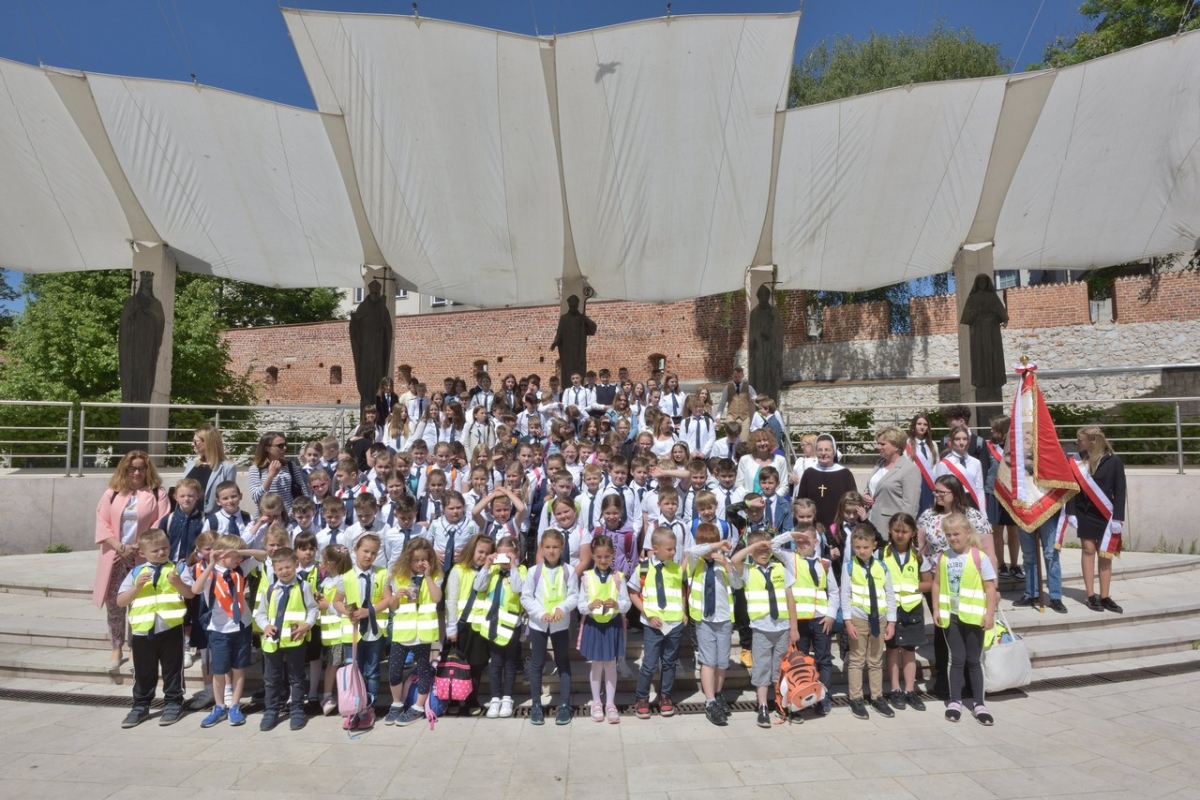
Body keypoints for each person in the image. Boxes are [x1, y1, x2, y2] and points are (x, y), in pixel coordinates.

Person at [917, 474, 998, 695]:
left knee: (970, 630)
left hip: (971, 582)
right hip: (940, 582)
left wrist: (994, 586)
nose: (937, 495)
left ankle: (971, 682)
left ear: (955, 493)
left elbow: (989, 551)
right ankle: (944, 680)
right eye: (935, 491)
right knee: (943, 631)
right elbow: (919, 548)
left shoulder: (973, 516)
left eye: (941, 492)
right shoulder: (928, 516)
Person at [94, 450, 171, 673]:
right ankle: (116, 648)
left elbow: (161, 522)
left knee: (139, 603)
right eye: (131, 468)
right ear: (124, 469)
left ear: (148, 470)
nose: (136, 472)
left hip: (142, 557)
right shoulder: (112, 493)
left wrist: (138, 547)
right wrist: (120, 546)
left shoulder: (157, 493)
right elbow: (102, 523)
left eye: (141, 468)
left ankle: (135, 648)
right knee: (115, 605)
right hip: (116, 556)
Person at [116, 528, 191, 728]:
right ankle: (140, 705)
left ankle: (174, 702)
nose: (161, 552)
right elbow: (121, 601)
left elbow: (190, 593)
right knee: (143, 671)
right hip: (142, 630)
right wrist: (137, 587)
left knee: (172, 669)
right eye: (155, 550)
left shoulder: (178, 569)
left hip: (170, 628)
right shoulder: (136, 572)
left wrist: (177, 582)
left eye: (164, 548)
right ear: (142, 553)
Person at [192, 534, 268, 728]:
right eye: (236, 557)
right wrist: (212, 562)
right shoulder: (210, 573)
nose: (240, 559)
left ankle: (235, 705)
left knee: (238, 668)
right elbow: (196, 589)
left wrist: (239, 551)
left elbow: (263, 555)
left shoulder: (240, 568)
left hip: (241, 626)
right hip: (218, 629)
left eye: (240, 556)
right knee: (219, 670)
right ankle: (219, 707)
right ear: (223, 555)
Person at [930, 512, 998, 725]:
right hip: (951, 616)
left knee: (974, 660)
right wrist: (936, 609)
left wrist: (989, 614)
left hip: (975, 617)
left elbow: (990, 588)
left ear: (968, 533)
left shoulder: (979, 557)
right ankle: (955, 701)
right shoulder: (943, 557)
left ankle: (979, 703)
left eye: (956, 534)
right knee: (956, 659)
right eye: (948, 535)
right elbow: (936, 584)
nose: (952, 538)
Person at [733, 531, 798, 728]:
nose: (764, 553)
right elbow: (734, 559)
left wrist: (794, 627)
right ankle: (762, 705)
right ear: (751, 551)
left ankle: (781, 703)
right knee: (762, 666)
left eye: (766, 549)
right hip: (761, 628)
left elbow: (790, 600)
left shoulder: (780, 568)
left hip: (782, 627)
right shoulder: (747, 570)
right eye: (759, 550)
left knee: (780, 667)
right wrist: (754, 546)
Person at [254, 546, 318, 732]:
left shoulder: (304, 587)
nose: (284, 571)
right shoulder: (270, 590)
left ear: (296, 565)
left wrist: (307, 625)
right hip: (272, 642)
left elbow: (313, 609)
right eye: (280, 568)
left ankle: (297, 710)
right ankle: (271, 711)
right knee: (271, 679)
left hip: (294, 640)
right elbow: (260, 614)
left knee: (296, 678)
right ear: (274, 570)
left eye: (288, 567)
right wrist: (265, 626)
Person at [521, 529, 578, 726]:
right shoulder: (533, 572)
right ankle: (536, 705)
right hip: (539, 624)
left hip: (560, 625)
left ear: (562, 548)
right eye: (547, 547)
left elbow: (574, 595)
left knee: (563, 663)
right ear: (541, 549)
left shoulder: (569, 571)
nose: (551, 551)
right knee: (537, 664)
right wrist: (539, 613)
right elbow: (526, 597)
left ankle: (565, 704)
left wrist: (563, 608)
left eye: (555, 547)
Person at [384, 538, 443, 726]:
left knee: (424, 671)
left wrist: (427, 576)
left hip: (424, 633)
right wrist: (396, 596)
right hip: (403, 632)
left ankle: (418, 707)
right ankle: (397, 703)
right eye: (415, 560)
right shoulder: (398, 576)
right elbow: (392, 607)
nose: (419, 563)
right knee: (394, 671)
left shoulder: (435, 575)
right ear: (407, 559)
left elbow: (436, 598)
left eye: (423, 559)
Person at [332, 533, 391, 722]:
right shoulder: (346, 576)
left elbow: (387, 599)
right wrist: (348, 612)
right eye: (365, 551)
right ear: (355, 550)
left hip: (374, 632)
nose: (369, 556)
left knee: (372, 672)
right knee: (353, 671)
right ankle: (354, 707)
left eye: (373, 553)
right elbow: (337, 601)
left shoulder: (382, 573)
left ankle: (368, 708)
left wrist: (369, 611)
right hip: (353, 633)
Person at [628, 527, 685, 720]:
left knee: (669, 662)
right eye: (669, 549)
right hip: (653, 625)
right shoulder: (643, 568)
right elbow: (633, 593)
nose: (673, 552)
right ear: (655, 548)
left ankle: (665, 696)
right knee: (650, 664)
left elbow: (680, 591)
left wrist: (683, 612)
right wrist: (647, 613)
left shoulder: (676, 568)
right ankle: (641, 698)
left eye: (674, 548)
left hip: (674, 623)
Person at [841, 524, 896, 721]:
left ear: (873, 545)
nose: (862, 551)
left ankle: (877, 696)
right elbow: (845, 596)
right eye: (857, 547)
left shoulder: (882, 567)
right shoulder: (849, 567)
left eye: (865, 547)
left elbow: (890, 594)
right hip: (858, 618)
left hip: (879, 618)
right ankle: (856, 698)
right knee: (857, 659)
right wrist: (848, 621)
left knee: (875, 659)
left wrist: (891, 622)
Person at [1069, 426, 1127, 613]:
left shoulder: (1113, 460)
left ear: (1092, 440)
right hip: (1085, 512)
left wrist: (1118, 517)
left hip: (1106, 514)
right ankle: (1090, 595)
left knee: (1104, 554)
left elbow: (1120, 491)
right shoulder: (1076, 461)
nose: (1077, 442)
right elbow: (1071, 488)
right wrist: (1071, 512)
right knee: (1088, 549)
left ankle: (1105, 596)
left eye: (1080, 439)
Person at [685, 523, 738, 726]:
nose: (709, 549)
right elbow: (693, 551)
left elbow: (738, 584)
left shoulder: (724, 562)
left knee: (722, 662)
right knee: (708, 661)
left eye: (712, 544)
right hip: (704, 620)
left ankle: (717, 694)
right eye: (705, 544)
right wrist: (715, 544)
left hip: (724, 618)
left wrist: (727, 565)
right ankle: (709, 702)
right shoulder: (695, 561)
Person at [578, 534, 631, 724]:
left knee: (610, 664)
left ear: (613, 556)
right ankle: (596, 702)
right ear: (592, 556)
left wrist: (617, 604)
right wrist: (589, 606)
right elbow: (580, 605)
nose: (603, 560)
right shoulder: (587, 577)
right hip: (594, 624)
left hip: (611, 624)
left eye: (607, 556)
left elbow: (626, 603)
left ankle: (610, 703)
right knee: (596, 664)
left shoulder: (618, 577)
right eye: (599, 556)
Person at [789, 524, 839, 718]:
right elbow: (775, 546)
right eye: (798, 540)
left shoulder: (824, 564)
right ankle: (802, 695)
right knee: (800, 660)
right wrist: (791, 534)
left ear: (816, 542)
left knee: (823, 659)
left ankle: (824, 697)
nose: (802, 544)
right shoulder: (791, 560)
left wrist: (831, 615)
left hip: (820, 619)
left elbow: (833, 591)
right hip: (800, 620)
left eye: (806, 540)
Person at [880, 513, 928, 712]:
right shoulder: (881, 554)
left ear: (912, 533)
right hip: (889, 610)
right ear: (890, 531)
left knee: (909, 650)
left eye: (905, 531)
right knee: (892, 649)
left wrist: (912, 585)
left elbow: (929, 583)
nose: (900, 535)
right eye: (896, 530)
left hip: (912, 609)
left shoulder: (918, 556)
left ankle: (910, 690)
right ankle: (895, 689)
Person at [445, 534, 495, 716]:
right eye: (480, 552)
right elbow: (451, 599)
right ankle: (453, 699)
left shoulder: (489, 571)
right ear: (471, 550)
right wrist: (451, 627)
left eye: (487, 553)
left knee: (476, 666)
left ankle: (471, 699)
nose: (483, 556)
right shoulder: (458, 570)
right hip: (461, 625)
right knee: (455, 666)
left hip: (479, 626)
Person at [476, 536, 525, 720]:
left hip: (512, 625)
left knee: (510, 663)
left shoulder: (521, 570)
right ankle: (495, 698)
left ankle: (507, 698)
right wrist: (487, 565)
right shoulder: (493, 570)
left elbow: (518, 589)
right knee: (495, 663)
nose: (504, 560)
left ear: (516, 554)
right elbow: (478, 586)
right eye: (501, 555)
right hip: (493, 624)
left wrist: (513, 566)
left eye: (508, 555)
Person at [984, 415, 1023, 581]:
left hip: (1011, 494)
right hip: (993, 492)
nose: (991, 431)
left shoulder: (1016, 447)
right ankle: (1001, 564)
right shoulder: (987, 447)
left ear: (1004, 429)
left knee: (1013, 530)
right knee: (997, 529)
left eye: (995, 429)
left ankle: (1014, 565)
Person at [863, 426, 921, 534]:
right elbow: (873, 487)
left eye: (882, 444)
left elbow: (910, 506)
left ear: (896, 446)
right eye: (878, 443)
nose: (878, 447)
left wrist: (902, 531)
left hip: (890, 527)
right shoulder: (880, 463)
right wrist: (866, 495)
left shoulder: (909, 469)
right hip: (870, 522)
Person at [796, 434, 857, 529]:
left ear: (834, 451)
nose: (823, 453)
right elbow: (801, 501)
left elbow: (853, 501)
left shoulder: (845, 474)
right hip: (813, 527)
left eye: (827, 450)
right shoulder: (809, 473)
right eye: (820, 450)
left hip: (839, 527)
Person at [248, 431, 308, 514]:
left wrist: (306, 510)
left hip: (289, 517)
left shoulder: (290, 465)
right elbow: (256, 498)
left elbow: (303, 490)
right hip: (267, 517)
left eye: (285, 445)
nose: (284, 448)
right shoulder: (256, 469)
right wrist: (270, 476)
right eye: (280, 446)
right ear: (267, 448)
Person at [184, 425, 237, 515]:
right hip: (188, 516)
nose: (192, 444)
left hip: (211, 517)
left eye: (196, 441)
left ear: (208, 443)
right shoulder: (191, 463)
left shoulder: (227, 467)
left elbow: (229, 497)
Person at [935, 425, 986, 511]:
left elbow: (979, 489)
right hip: (953, 505)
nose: (962, 442)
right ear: (951, 441)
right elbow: (938, 490)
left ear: (969, 441)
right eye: (957, 439)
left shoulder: (976, 462)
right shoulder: (944, 464)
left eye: (965, 439)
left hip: (973, 504)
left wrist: (983, 513)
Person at [736, 429, 790, 497]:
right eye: (759, 441)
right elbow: (739, 485)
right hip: (750, 501)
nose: (762, 443)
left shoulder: (780, 460)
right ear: (753, 443)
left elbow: (784, 486)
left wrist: (772, 499)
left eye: (765, 440)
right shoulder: (745, 460)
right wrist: (749, 498)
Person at [907, 414, 939, 514]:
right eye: (919, 424)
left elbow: (936, 465)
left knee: (928, 510)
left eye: (925, 424)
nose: (922, 427)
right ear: (913, 426)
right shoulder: (907, 444)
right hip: (913, 482)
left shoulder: (933, 445)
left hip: (929, 483)